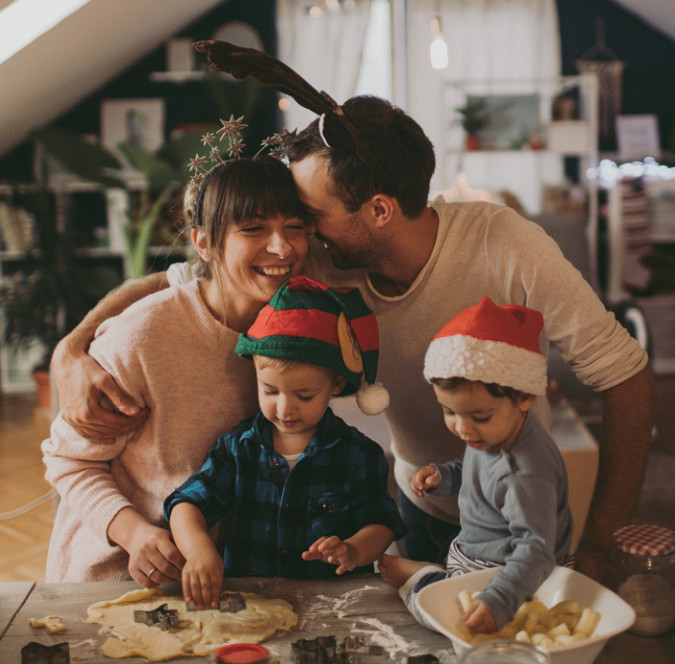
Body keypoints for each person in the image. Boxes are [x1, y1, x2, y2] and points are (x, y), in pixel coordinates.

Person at [50, 95, 654, 586]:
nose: (293, 239)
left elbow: (624, 374)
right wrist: (72, 348)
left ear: (380, 211)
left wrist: (600, 548)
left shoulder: (507, 246)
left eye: (307, 214)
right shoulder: (321, 259)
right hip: (422, 501)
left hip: (520, 511)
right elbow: (189, 278)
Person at [41, 156, 309, 583]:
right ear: (204, 243)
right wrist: (134, 533)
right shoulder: (143, 334)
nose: (283, 247)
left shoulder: (298, 329)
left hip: (226, 579)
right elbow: (67, 460)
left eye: (294, 226)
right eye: (254, 228)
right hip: (117, 578)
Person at [165, 275, 405, 609]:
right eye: (269, 391)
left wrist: (352, 550)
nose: (284, 408)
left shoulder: (357, 454)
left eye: (304, 395)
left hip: (335, 606)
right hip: (249, 605)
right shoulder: (238, 449)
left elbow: (380, 523)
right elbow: (186, 505)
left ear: (336, 384)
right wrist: (200, 552)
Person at [378, 297, 573, 634]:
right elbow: (479, 471)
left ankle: (421, 576)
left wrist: (499, 599)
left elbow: (536, 552)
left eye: (479, 416)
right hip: (475, 552)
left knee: (442, 619)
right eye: (450, 412)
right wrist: (447, 475)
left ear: (526, 396)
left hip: (512, 573)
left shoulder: (524, 473)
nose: (463, 429)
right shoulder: (496, 434)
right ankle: (440, 576)